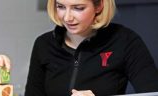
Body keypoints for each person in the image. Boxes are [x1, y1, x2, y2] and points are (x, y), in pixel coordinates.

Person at [25, 0, 158, 96]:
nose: (67, 17)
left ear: (99, 5)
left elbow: (152, 93)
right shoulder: (43, 44)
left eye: (78, 8)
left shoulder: (125, 41)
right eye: (60, 6)